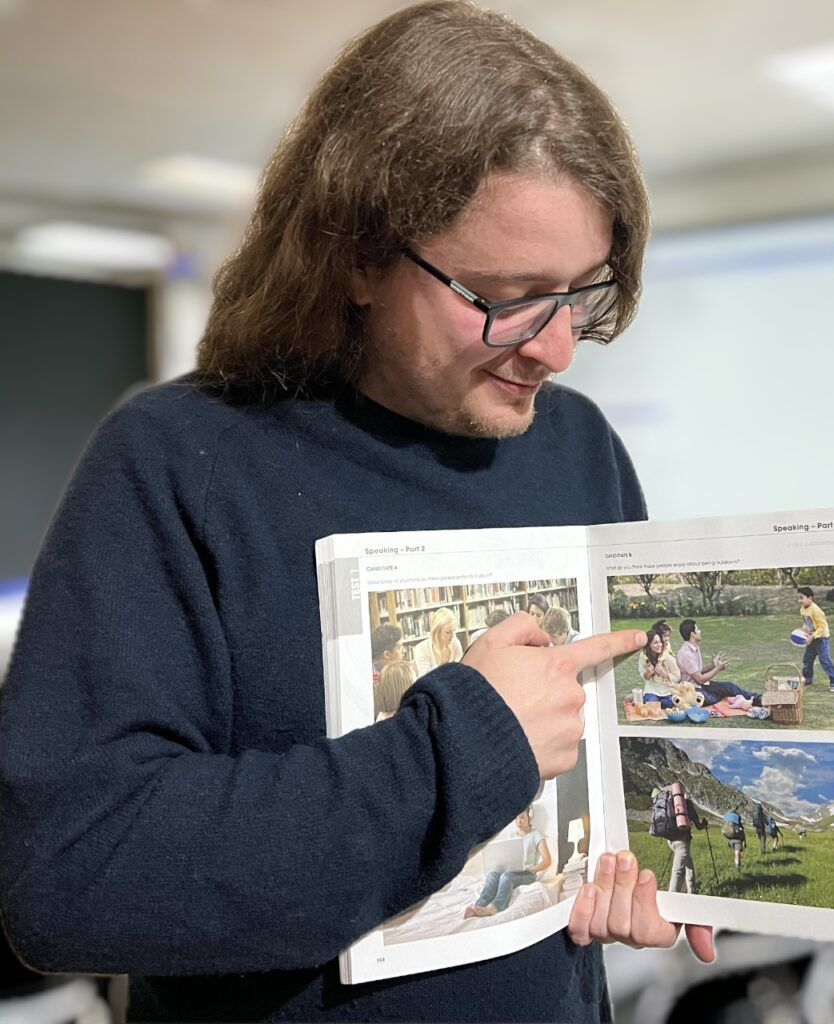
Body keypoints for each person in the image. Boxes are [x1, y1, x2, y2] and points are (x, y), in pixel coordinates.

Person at [0, 4, 714, 1022]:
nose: (555, 350)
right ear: (359, 256)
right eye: (508, 297)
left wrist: (621, 861)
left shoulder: (581, 447)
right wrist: (457, 751)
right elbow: (68, 878)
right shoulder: (176, 464)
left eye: (580, 293)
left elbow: (591, 781)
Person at [464, 807, 551, 918]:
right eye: (516, 818)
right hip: (511, 870)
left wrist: (530, 869)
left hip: (528, 874)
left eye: (522, 817)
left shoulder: (536, 835)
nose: (519, 821)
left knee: (506, 877)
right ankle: (478, 905)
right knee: (492, 875)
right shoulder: (512, 837)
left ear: (529, 816)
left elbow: (547, 860)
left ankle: (496, 907)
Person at [676, 618, 767, 714]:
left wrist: (712, 666)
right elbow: (699, 679)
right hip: (693, 690)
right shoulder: (686, 653)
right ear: (692, 634)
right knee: (711, 698)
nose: (700, 631)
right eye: (697, 629)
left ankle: (759, 699)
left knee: (729, 686)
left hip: (701, 685)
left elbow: (697, 672)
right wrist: (717, 669)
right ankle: (740, 700)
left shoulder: (694, 648)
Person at [650, 783, 707, 894]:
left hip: (669, 839)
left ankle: (692, 889)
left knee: (688, 862)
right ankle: (672, 899)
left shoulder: (665, 801)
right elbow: (699, 826)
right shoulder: (687, 804)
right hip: (682, 841)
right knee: (678, 872)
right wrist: (704, 824)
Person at [796, 586, 834, 692]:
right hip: (812, 637)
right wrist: (804, 632)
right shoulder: (802, 609)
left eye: (801, 598)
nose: (799, 601)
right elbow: (807, 623)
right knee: (807, 659)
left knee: (824, 660)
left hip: (822, 638)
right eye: (798, 598)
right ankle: (808, 679)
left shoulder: (816, 610)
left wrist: (812, 637)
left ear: (810, 598)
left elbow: (822, 627)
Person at [412, 606, 464, 676]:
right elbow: (425, 680)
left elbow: (461, 673)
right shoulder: (422, 649)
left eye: (454, 631)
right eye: (448, 632)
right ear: (437, 632)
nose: (453, 636)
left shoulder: (455, 643)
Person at [639, 628, 680, 707]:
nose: (659, 645)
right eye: (655, 643)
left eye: (660, 642)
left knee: (669, 703)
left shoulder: (667, 657)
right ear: (649, 645)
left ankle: (644, 698)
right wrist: (647, 674)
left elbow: (677, 677)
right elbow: (643, 675)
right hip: (652, 689)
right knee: (652, 702)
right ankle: (646, 698)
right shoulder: (643, 656)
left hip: (668, 690)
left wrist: (665, 674)